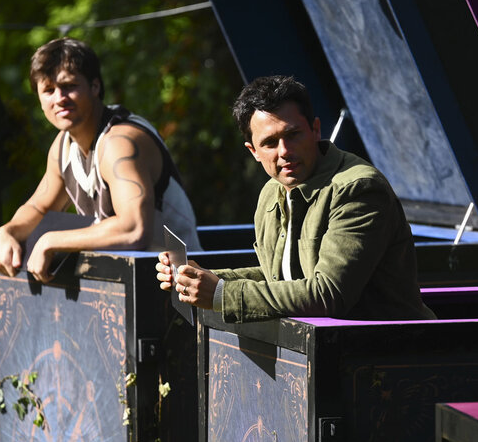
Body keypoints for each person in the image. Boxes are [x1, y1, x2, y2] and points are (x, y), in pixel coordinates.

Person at [155, 75, 435, 322]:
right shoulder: (270, 192)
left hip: (386, 358)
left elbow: (328, 295)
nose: (284, 151)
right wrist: (200, 279)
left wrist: (221, 293)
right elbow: (280, 279)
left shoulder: (358, 189)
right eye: (270, 143)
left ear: (315, 130)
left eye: (293, 134)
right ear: (253, 151)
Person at [0, 38, 200, 282]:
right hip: (130, 285)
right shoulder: (63, 145)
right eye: (48, 90)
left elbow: (133, 229)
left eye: (69, 86)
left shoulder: (118, 142)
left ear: (95, 86)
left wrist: (51, 240)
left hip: (183, 286)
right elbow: (39, 208)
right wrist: (6, 232)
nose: (59, 98)